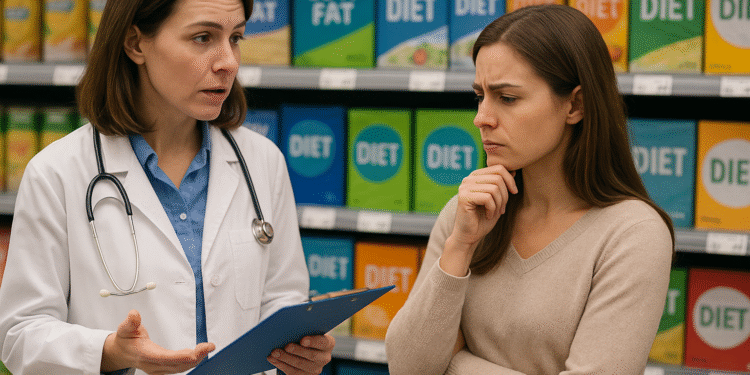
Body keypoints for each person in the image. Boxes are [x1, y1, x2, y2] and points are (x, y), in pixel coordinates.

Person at [0, 0, 335, 374]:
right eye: (203, 37)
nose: (229, 62)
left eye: (236, 37)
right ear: (135, 44)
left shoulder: (262, 161)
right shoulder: (57, 174)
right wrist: (111, 351)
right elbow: (19, 335)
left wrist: (301, 348)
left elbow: (280, 297)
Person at [385, 5, 674, 375]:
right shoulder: (469, 212)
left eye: (507, 98)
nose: (482, 118)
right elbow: (408, 369)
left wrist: (455, 364)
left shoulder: (633, 235)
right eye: (480, 96)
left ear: (575, 105)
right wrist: (459, 247)